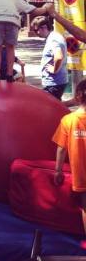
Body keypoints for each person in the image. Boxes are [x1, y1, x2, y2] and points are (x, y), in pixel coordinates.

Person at [52, 79, 86, 236]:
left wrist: (58, 171)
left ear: (77, 97)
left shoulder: (68, 120)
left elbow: (61, 149)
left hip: (81, 176)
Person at [32, 15, 68, 100]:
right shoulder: (54, 36)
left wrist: (54, 70)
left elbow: (59, 57)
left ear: (44, 27)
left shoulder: (53, 40)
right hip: (56, 82)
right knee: (54, 105)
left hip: (54, 82)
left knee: (49, 106)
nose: (36, 33)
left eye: (36, 30)